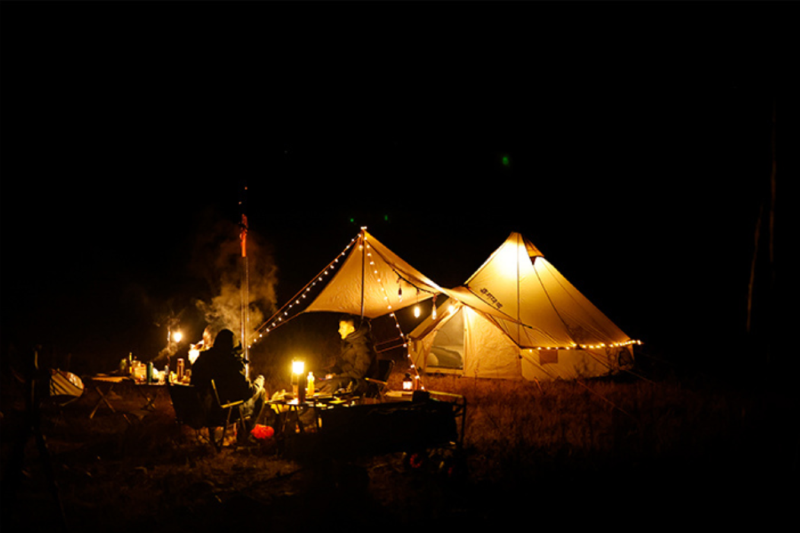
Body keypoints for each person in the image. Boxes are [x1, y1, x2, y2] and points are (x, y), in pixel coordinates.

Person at [190, 329, 267, 432]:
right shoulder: (232, 363)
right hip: (224, 413)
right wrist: (260, 380)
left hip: (201, 412)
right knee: (261, 392)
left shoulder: (203, 358)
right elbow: (248, 392)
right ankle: (244, 433)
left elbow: (194, 381)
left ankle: (216, 436)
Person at [318, 314, 378, 395]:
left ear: (351, 329)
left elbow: (358, 373)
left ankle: (323, 400)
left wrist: (336, 377)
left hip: (362, 383)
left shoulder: (363, 346)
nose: (339, 331)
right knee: (317, 375)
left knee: (333, 383)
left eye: (342, 328)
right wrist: (332, 372)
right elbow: (341, 365)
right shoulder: (348, 343)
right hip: (348, 378)